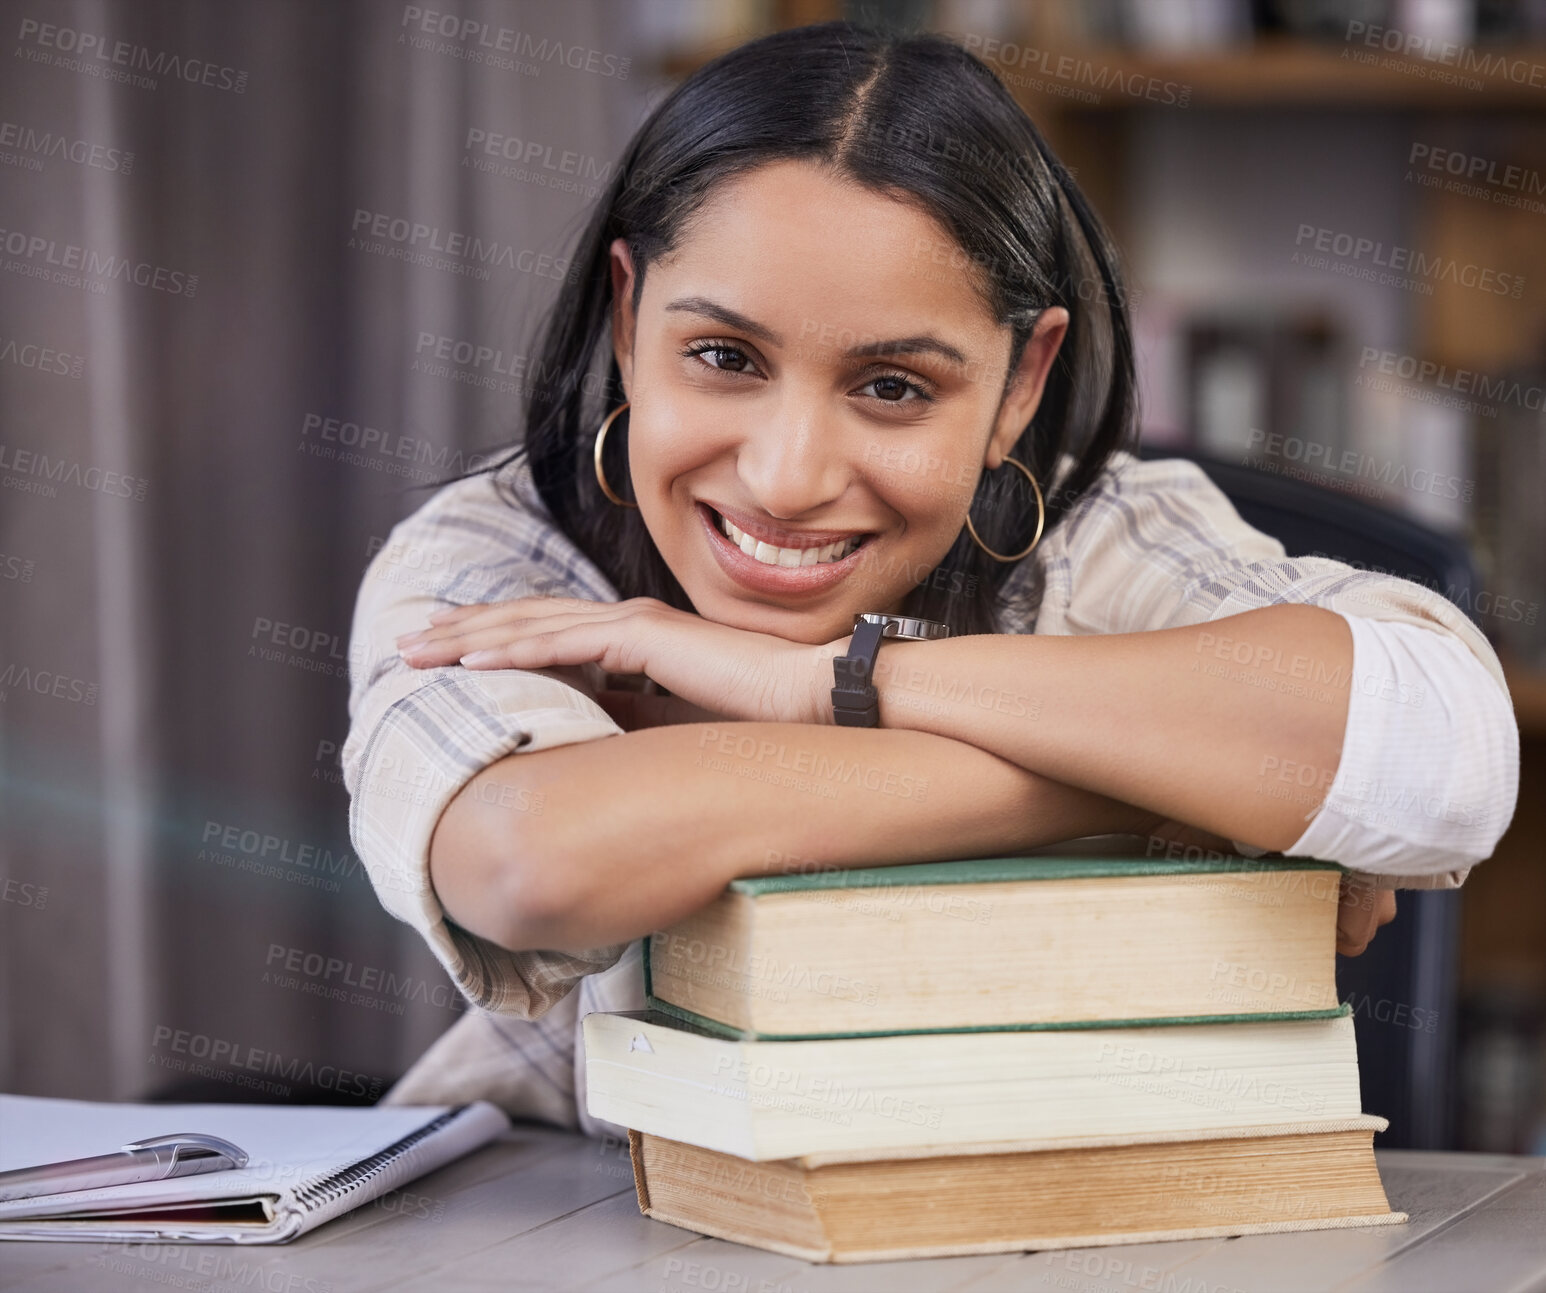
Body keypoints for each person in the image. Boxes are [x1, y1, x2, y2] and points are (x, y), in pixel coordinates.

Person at [340, 21, 1519, 1132]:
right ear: (627, 311)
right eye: (721, 356)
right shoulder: (496, 553)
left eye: (893, 386)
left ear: (1018, 384)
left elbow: (1443, 749)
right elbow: (531, 862)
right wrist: (1173, 789)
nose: (788, 476)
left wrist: (831, 687)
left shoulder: (1103, 527)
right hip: (565, 1219)